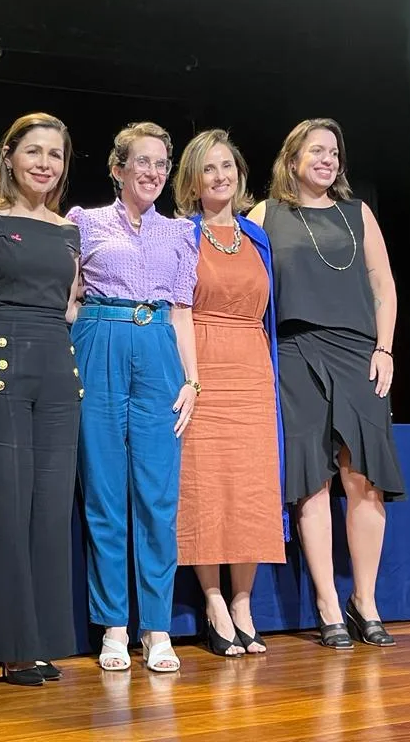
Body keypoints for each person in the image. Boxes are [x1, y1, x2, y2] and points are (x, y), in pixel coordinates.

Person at [248, 118, 404, 650]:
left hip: (358, 353)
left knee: (363, 478)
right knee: (312, 479)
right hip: (294, 352)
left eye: (334, 152)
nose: (327, 160)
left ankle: (366, 600)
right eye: (317, 151)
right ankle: (327, 605)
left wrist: (384, 347)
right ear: (291, 159)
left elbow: (383, 284)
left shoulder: (358, 213)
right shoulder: (266, 214)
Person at [67, 121, 199, 673]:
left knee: (156, 496)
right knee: (103, 492)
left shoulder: (180, 233)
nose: (153, 173)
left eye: (161, 164)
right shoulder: (84, 221)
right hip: (99, 340)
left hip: (158, 350)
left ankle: (158, 628)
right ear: (118, 168)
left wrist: (192, 381)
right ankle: (115, 627)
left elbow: (184, 311)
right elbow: (69, 298)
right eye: (142, 162)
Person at [0, 113, 82, 686]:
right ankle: (15, 648)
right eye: (34, 151)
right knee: (10, 507)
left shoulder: (68, 230)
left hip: (58, 370)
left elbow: (69, 304)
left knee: (51, 509)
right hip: (2, 364)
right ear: (9, 156)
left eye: (55, 155)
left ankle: (46, 642)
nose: (44, 163)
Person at [171, 129, 287, 656]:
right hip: (202, 364)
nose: (221, 177)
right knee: (204, 485)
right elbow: (177, 310)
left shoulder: (256, 237)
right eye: (209, 169)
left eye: (228, 167)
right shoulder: (181, 235)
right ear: (193, 181)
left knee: (250, 487)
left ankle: (244, 602)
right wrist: (187, 377)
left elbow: (271, 313)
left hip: (253, 367)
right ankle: (214, 601)